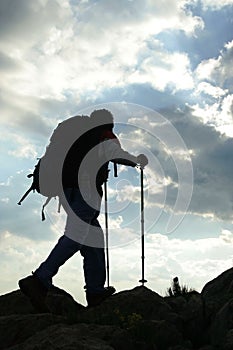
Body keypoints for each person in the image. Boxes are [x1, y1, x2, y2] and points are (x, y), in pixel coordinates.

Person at [18, 109, 148, 311]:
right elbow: (115, 154)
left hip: (66, 191)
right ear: (108, 124)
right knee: (76, 235)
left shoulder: (77, 134)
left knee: (93, 240)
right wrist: (136, 160)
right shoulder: (101, 134)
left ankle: (95, 291)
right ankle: (40, 279)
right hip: (85, 190)